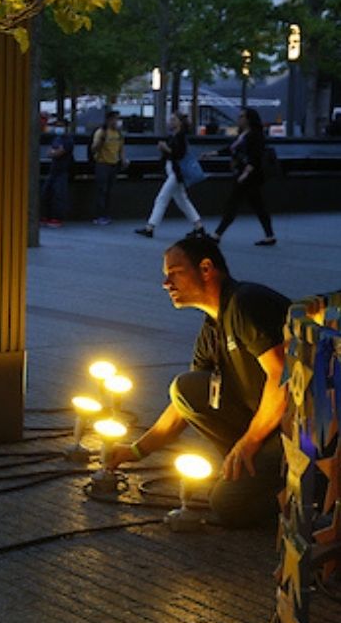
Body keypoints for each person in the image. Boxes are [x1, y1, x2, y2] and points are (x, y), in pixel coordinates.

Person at [107, 237, 290, 527]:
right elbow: (183, 405)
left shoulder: (246, 304)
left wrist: (249, 442)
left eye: (175, 272)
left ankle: (304, 493)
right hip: (264, 430)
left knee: (227, 504)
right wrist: (136, 450)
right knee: (186, 387)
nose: (166, 283)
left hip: (300, 431)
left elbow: (283, 376)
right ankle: (254, 472)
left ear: (206, 268)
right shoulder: (211, 329)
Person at [203, 107, 276, 246]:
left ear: (249, 119)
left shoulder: (255, 135)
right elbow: (232, 149)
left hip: (249, 176)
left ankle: (217, 234)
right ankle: (269, 235)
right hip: (244, 174)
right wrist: (214, 153)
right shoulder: (243, 134)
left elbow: (256, 156)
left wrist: (246, 173)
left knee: (233, 203)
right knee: (257, 205)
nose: (239, 119)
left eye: (242, 116)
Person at [135, 112, 205, 239]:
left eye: (173, 119)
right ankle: (198, 226)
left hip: (176, 173)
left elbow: (178, 154)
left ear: (179, 123)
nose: (170, 121)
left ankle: (150, 227)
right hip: (176, 173)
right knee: (182, 200)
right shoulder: (178, 136)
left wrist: (165, 148)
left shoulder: (179, 137)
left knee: (162, 198)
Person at [91, 110, 127, 225]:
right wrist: (101, 141)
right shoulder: (101, 132)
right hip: (102, 164)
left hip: (113, 164)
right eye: (115, 119)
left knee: (109, 191)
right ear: (109, 120)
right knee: (102, 190)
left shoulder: (118, 134)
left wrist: (123, 159)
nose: (117, 121)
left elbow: (121, 148)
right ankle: (99, 215)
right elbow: (94, 148)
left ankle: (106, 214)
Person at [40, 123, 74, 227]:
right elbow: (50, 152)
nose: (58, 128)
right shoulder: (57, 139)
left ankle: (57, 218)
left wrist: (54, 152)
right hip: (53, 170)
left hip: (62, 171)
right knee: (46, 193)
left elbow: (58, 152)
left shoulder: (68, 140)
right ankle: (46, 216)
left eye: (60, 126)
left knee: (59, 195)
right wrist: (54, 152)